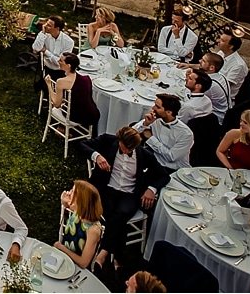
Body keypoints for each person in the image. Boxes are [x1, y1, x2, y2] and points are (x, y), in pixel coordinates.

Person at [78, 127, 169, 270]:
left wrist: (151, 189)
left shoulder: (145, 155)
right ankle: (117, 257)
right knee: (116, 216)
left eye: (128, 149)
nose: (125, 151)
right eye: (122, 147)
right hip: (107, 189)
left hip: (129, 194)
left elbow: (164, 175)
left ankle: (103, 252)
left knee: (119, 214)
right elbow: (82, 144)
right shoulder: (109, 141)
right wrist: (97, 156)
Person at [133, 93, 192, 171]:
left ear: (169, 112)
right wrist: (145, 124)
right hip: (153, 162)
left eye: (157, 107)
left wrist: (151, 138)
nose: (153, 108)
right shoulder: (155, 119)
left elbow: (171, 157)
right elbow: (131, 133)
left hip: (173, 168)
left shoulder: (186, 134)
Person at [55, 180, 104, 270]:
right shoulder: (79, 211)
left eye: (72, 191)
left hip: (76, 268)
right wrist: (64, 201)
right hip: (62, 258)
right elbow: (67, 205)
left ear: (81, 200)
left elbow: (83, 263)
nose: (69, 193)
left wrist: (61, 247)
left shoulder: (93, 230)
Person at [45, 52, 100, 128]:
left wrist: (49, 85)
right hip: (93, 114)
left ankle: (64, 129)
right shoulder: (86, 78)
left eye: (61, 60)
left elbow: (57, 104)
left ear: (68, 66)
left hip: (76, 117)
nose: (58, 61)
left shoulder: (61, 82)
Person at [214, 28, 249, 100]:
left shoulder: (239, 65)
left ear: (231, 46)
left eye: (222, 41)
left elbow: (225, 86)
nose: (218, 41)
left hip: (222, 98)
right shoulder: (221, 53)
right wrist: (189, 65)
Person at [198, 52, 232, 123]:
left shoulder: (210, 84)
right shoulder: (221, 76)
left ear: (211, 68)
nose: (199, 61)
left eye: (203, 61)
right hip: (226, 113)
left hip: (216, 119)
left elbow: (195, 98)